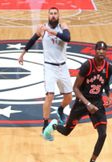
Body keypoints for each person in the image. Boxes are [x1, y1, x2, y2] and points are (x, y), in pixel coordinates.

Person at [44, 40, 112, 162]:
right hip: (82, 102)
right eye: (98, 49)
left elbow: (106, 84)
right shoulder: (87, 66)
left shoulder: (108, 68)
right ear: (95, 51)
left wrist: (109, 96)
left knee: (103, 134)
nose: (101, 51)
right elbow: (75, 88)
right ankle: (54, 126)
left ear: (106, 52)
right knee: (67, 131)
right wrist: (87, 104)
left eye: (103, 49)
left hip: (97, 102)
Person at [17, 6, 72, 139]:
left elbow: (67, 38)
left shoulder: (63, 26)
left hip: (63, 66)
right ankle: (45, 124)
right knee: (50, 96)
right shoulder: (42, 28)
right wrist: (23, 53)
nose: (53, 16)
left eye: (55, 14)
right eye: (51, 14)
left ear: (58, 16)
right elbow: (32, 40)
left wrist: (52, 32)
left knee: (69, 97)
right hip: (50, 67)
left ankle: (60, 110)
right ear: (48, 16)